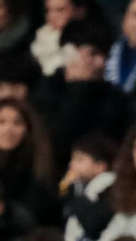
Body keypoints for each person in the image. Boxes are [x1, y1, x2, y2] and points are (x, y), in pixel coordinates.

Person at [32, 19, 130, 178]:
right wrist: (78, 88)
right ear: (69, 52)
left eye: (105, 55)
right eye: (93, 54)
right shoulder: (46, 91)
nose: (101, 62)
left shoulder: (114, 97)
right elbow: (56, 141)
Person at [0, 99, 61, 226]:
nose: (8, 129)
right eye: (1, 122)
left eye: (17, 123)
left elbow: (37, 216)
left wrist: (7, 210)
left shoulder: (38, 165)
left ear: (27, 129)